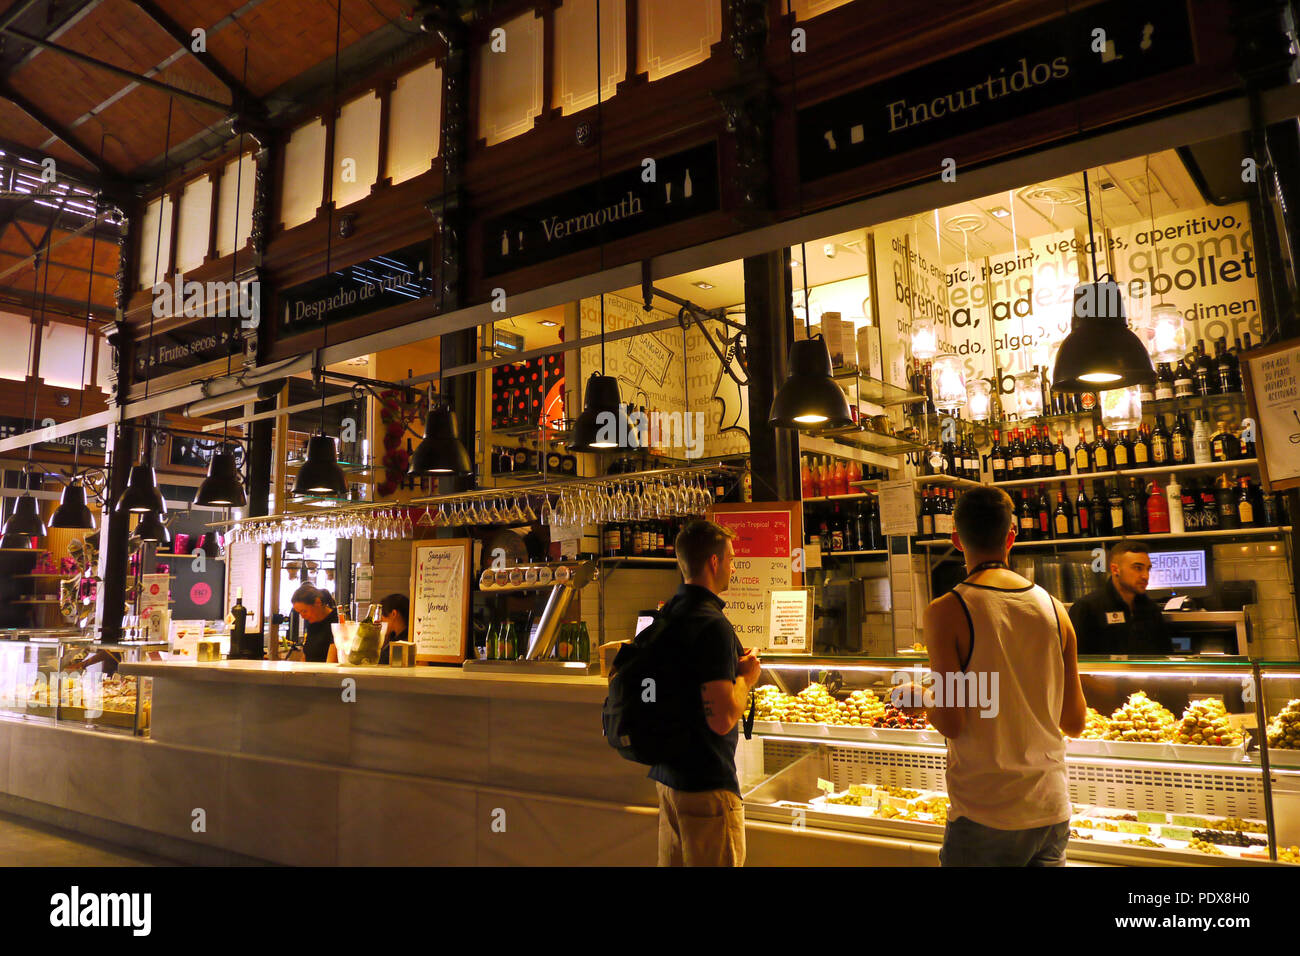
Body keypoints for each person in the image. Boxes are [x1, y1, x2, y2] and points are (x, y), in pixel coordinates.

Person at [903, 486, 1087, 866]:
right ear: (1011, 537)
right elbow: (1075, 722)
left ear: (956, 539)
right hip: (1052, 809)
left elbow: (952, 721)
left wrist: (919, 699)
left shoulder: (946, 611)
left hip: (987, 812)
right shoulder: (1055, 609)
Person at [649, 519, 759, 867]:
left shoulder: (667, 615)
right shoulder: (712, 624)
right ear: (714, 562)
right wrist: (747, 678)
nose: (732, 566)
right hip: (706, 788)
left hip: (669, 782)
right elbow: (723, 718)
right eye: (730, 558)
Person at [1068, 539, 1172, 656]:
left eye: (1148, 569)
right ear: (1115, 569)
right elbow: (1075, 660)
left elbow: (1166, 656)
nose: (1145, 576)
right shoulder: (1087, 607)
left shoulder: (1151, 609)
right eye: (1138, 568)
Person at [290, 584, 338, 662]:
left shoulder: (337, 622)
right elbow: (306, 655)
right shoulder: (313, 623)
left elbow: (331, 663)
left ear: (317, 603)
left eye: (304, 611)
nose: (302, 616)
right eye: (299, 613)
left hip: (325, 673)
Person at [377, 593, 409, 665]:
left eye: (382, 617)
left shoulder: (403, 644)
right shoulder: (393, 638)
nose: (380, 621)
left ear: (394, 614)